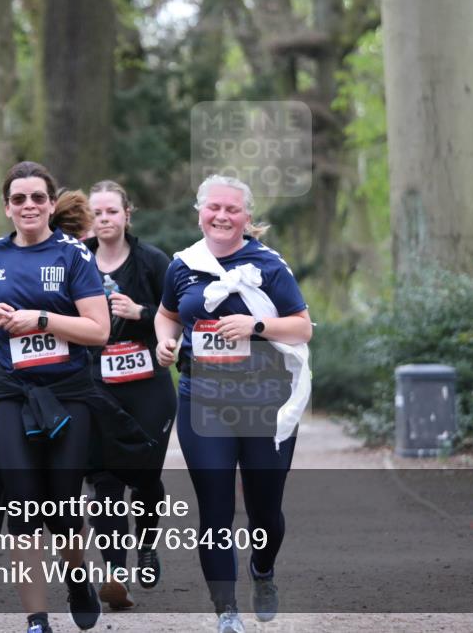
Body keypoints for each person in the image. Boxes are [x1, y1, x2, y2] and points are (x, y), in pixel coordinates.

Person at [154, 175, 313, 633]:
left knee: (265, 512)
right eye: (214, 208)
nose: (222, 217)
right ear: (199, 210)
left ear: (247, 216)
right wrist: (165, 345)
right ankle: (226, 612)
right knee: (215, 509)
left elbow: (302, 328)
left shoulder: (269, 266)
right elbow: (167, 315)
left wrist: (256, 326)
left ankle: (263, 569)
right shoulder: (182, 265)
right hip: (203, 401)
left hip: (265, 403)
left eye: (232, 210)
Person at [0, 161, 109, 633]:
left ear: (50, 204)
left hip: (67, 393)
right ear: (7, 207)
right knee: (23, 501)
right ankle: (37, 620)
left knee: (62, 503)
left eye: (37, 198)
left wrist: (42, 320)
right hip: (10, 391)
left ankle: (77, 579)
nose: (29, 205)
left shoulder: (73, 256)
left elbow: (99, 330)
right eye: (19, 199)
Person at [82, 180, 177, 610]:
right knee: (104, 482)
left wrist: (140, 313)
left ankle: (148, 546)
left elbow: (177, 316)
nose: (104, 219)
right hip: (97, 387)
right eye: (97, 213)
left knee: (144, 477)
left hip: (148, 388)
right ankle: (116, 574)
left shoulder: (153, 261)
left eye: (112, 212)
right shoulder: (75, 259)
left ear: (127, 215)